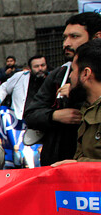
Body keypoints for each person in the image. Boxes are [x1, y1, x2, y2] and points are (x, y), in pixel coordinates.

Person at [25, 12, 101, 166]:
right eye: (65, 37)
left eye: (74, 36)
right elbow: (31, 114)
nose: (66, 43)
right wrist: (54, 115)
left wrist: (74, 94)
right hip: (59, 166)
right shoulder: (58, 75)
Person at [0, 55, 49, 168]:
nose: (40, 68)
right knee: (19, 154)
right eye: (36, 66)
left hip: (42, 122)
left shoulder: (52, 78)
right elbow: (4, 87)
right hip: (19, 123)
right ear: (30, 68)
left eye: (43, 65)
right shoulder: (19, 77)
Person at [53, 39, 101, 164]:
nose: (70, 76)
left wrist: (78, 167)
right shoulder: (87, 107)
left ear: (85, 73)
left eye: (73, 70)